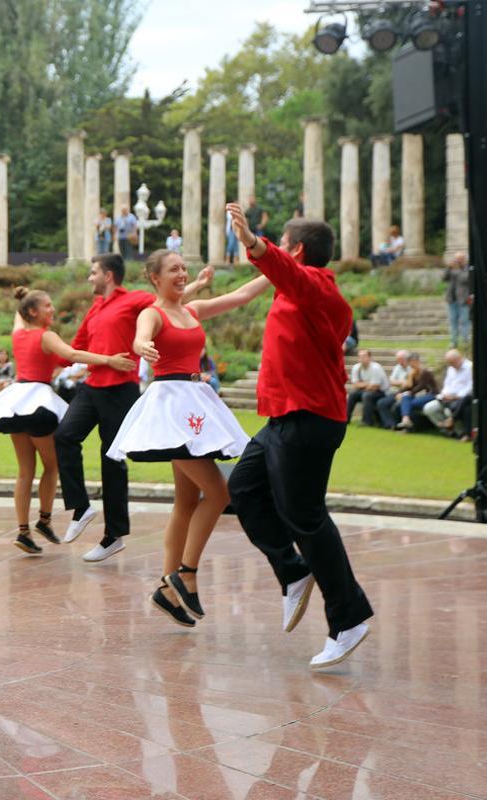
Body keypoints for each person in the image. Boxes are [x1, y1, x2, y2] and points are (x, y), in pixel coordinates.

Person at [225, 202, 374, 670]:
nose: (279, 251)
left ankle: (348, 619)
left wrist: (252, 243)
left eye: (283, 244)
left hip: (310, 419)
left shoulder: (318, 289)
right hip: (282, 419)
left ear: (297, 250)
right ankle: (293, 573)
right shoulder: (293, 292)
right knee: (244, 489)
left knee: (305, 518)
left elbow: (291, 275)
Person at [107, 250, 270, 626]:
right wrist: (141, 346)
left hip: (195, 404)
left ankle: (168, 589)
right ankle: (186, 572)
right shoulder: (153, 312)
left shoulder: (192, 310)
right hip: (171, 409)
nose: (182, 274)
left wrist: (281, 269)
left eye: (184, 268)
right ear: (154, 277)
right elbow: (140, 336)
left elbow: (241, 297)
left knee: (187, 500)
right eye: (173, 269)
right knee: (219, 492)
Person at [56, 253, 212, 557]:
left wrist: (196, 285)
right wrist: (45, 345)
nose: (89, 278)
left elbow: (168, 302)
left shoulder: (135, 300)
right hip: (92, 387)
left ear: (109, 275)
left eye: (93, 273)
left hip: (120, 389)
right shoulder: (95, 309)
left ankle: (113, 536)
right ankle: (81, 506)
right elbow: (72, 351)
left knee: (111, 459)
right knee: (64, 436)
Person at [0, 287, 134, 555]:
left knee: (25, 470)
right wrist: (109, 360)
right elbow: (72, 355)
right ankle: (44, 520)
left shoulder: (18, 333)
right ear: (33, 312)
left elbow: (18, 316)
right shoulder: (45, 336)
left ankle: (24, 530)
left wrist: (21, 299)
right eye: (47, 305)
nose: (53, 309)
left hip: (15, 401)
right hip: (38, 403)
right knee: (53, 465)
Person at [423, 349, 474, 441]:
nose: (451, 365)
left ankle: (460, 432)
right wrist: (445, 394)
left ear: (459, 358)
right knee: (429, 408)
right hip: (447, 398)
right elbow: (447, 384)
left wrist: (455, 397)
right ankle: (449, 431)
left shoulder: (470, 367)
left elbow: (470, 386)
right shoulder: (451, 368)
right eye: (449, 363)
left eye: (452, 362)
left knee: (449, 411)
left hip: (461, 398)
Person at [393, 352, 439, 432]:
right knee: (405, 398)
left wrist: (407, 393)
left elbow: (421, 387)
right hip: (419, 395)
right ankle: (406, 420)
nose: (412, 365)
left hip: (431, 395)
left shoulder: (425, 372)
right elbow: (409, 387)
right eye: (410, 363)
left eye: (414, 363)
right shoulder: (412, 373)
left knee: (410, 403)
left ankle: (410, 427)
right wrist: (399, 393)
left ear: (418, 362)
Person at [346, 349, 389, 426]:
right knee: (352, 394)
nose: (362, 358)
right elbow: (355, 385)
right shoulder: (356, 368)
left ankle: (366, 421)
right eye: (360, 356)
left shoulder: (376, 368)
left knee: (366, 395)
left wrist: (362, 385)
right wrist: (368, 384)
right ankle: (346, 419)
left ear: (370, 357)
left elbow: (375, 386)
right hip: (365, 390)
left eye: (364, 356)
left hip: (381, 392)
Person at [373, 350, 412, 428]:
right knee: (381, 402)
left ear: (406, 359)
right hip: (395, 392)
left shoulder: (411, 368)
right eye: (397, 359)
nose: (398, 361)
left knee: (388, 404)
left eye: (400, 359)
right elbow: (391, 381)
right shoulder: (397, 367)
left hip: (407, 393)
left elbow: (409, 385)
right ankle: (390, 424)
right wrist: (402, 382)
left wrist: (401, 384)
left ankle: (394, 425)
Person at [444, 252, 472, 348]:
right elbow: (444, 278)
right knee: (453, 321)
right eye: (456, 259)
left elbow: (465, 279)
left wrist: (460, 269)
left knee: (465, 321)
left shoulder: (468, 269)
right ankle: (454, 342)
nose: (458, 261)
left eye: (460, 259)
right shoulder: (451, 269)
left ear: (464, 259)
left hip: (463, 299)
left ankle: (465, 341)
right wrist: (448, 268)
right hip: (452, 299)